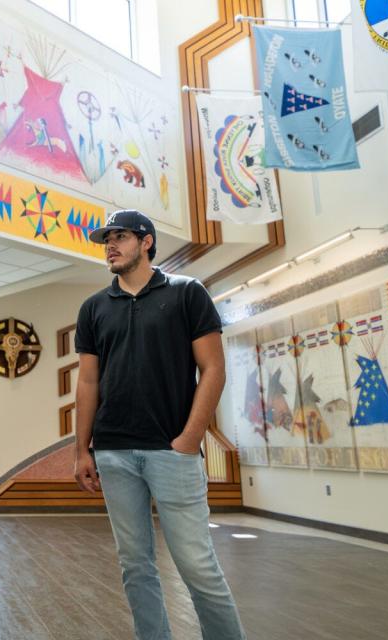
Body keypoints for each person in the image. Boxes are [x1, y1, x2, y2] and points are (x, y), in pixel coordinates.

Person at [73, 209, 246, 640]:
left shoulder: (188, 293)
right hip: (113, 452)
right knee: (135, 565)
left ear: (146, 241)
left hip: (172, 452)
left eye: (120, 236)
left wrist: (189, 439)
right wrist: (82, 449)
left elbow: (213, 370)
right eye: (106, 239)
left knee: (197, 566)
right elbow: (88, 380)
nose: (110, 245)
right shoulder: (94, 307)